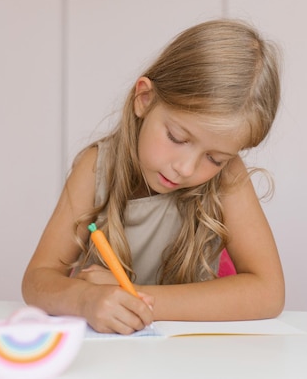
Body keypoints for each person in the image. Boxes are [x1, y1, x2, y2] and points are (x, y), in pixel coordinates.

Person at [22, 18, 285, 334]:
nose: (186, 169)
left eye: (214, 158)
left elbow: (269, 292)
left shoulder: (228, 176)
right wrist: (84, 299)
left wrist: (136, 300)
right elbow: (37, 279)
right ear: (144, 99)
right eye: (176, 137)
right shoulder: (96, 167)